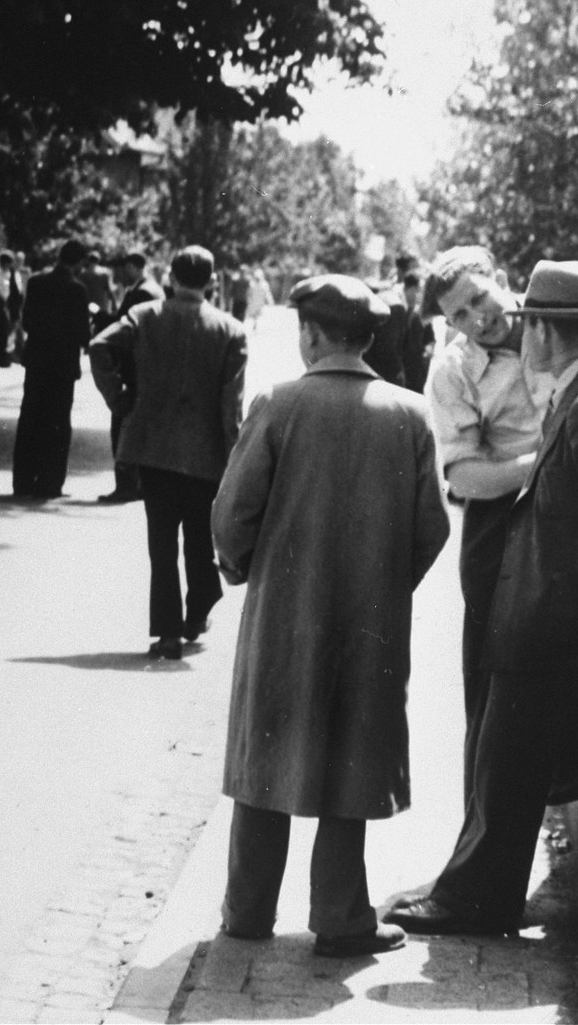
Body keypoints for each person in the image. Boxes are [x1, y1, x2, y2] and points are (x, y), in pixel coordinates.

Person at [385, 260, 578, 936]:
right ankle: (471, 886)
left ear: (546, 331)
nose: (504, 329)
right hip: (538, 592)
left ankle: (475, 896)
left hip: (553, 608)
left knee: (509, 751)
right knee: (503, 747)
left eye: (525, 322)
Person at [211, 274, 450, 957]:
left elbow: (232, 515)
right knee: (353, 752)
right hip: (369, 620)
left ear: (310, 334)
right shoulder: (409, 413)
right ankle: (341, 915)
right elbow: (431, 528)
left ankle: (248, 910)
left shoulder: (277, 403)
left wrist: (245, 570)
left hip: (283, 615)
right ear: (369, 337)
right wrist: (383, 583)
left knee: (266, 750)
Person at [420, 246, 556, 804]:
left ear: (502, 280)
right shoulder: (452, 370)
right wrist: (547, 463)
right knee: (494, 688)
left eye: (480, 298)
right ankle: (479, 836)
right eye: (460, 315)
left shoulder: (566, 316)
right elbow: (466, 477)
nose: (478, 319)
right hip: (502, 523)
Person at [90, 245, 247, 659]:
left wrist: (121, 400)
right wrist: (236, 456)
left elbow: (99, 347)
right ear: (211, 282)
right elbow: (231, 405)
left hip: (152, 447)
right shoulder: (231, 331)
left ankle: (167, 633)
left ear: (172, 278)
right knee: (199, 537)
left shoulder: (145, 316)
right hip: (206, 454)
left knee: (161, 543)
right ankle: (196, 613)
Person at [12, 239, 91, 500]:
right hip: (63, 365)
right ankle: (50, 483)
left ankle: (23, 481)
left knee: (30, 419)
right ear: (78, 262)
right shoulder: (77, 289)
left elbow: (27, 320)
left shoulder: (36, 282)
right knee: (57, 424)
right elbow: (82, 331)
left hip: (37, 362)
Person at [97, 250, 165, 504]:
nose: (118, 274)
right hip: (144, 369)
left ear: (134, 267)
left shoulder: (142, 293)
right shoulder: (151, 288)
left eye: (122, 268)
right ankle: (135, 485)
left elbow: (123, 326)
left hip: (133, 369)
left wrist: (101, 318)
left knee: (123, 427)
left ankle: (126, 485)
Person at [82, 250, 115, 337]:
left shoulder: (83, 274)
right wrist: (114, 305)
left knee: (87, 328)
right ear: (98, 260)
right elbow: (109, 291)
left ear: (88, 260)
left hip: (87, 305)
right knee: (101, 331)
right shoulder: (104, 274)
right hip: (101, 306)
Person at [245, 267, 274, 332]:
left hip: (260, 301)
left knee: (258, 314)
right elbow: (249, 292)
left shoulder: (264, 284)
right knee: (253, 314)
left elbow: (267, 293)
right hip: (253, 301)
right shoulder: (252, 283)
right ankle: (254, 324)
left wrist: (270, 301)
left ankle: (256, 325)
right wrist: (248, 299)